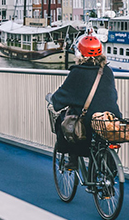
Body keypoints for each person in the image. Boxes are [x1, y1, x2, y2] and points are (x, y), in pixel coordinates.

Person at [51, 35, 122, 167]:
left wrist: (54, 100)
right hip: (111, 117)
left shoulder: (77, 71)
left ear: (80, 53)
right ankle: (108, 175)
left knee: (64, 121)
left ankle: (73, 161)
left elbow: (63, 94)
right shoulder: (107, 71)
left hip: (89, 120)